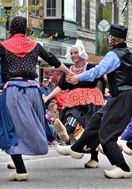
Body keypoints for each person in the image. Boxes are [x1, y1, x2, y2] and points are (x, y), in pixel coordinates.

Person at [0, 16, 74, 181]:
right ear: (25, 29)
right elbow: (53, 60)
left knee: (9, 127)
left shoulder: (4, 46)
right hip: (33, 90)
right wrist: (68, 72)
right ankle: (55, 133)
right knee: (34, 122)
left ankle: (20, 169)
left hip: (14, 90)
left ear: (11, 29)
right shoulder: (35, 45)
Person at [64, 24, 132, 179]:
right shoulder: (129, 55)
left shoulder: (114, 55)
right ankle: (76, 148)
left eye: (110, 37)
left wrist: (79, 77)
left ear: (114, 39)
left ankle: (123, 168)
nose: (109, 40)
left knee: (106, 133)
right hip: (123, 96)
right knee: (96, 120)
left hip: (122, 97)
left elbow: (98, 71)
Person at [44, 39, 105, 168]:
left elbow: (104, 77)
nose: (73, 55)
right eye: (71, 53)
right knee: (71, 117)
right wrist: (47, 98)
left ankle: (93, 158)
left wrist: (106, 93)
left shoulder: (90, 67)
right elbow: (60, 87)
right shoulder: (68, 70)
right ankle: (67, 136)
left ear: (81, 53)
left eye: (75, 52)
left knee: (90, 127)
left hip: (91, 101)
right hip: (73, 101)